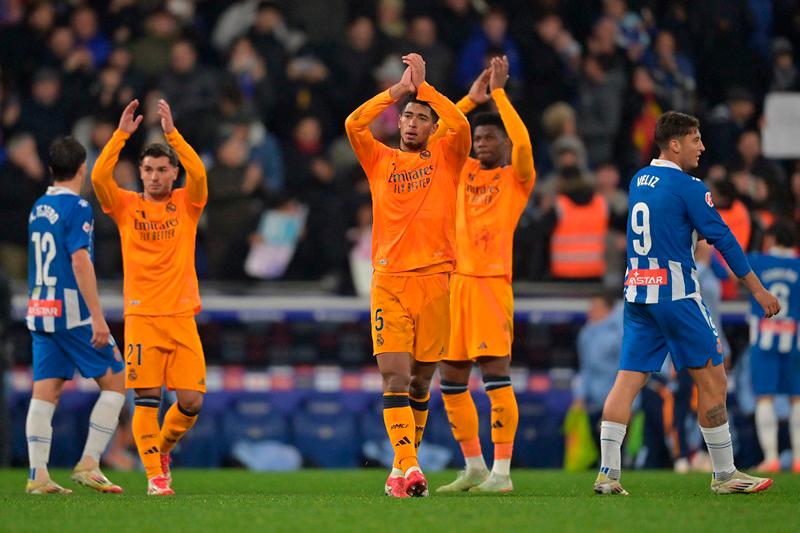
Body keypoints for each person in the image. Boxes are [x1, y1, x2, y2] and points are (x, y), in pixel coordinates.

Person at [595, 111, 780, 496]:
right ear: (674, 144)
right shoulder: (689, 187)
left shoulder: (638, 181)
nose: (702, 146)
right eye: (695, 139)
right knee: (713, 379)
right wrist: (757, 289)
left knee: (628, 379)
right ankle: (725, 474)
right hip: (676, 295)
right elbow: (724, 240)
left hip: (638, 293)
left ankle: (608, 473)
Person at [344, 53, 470, 498]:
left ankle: (400, 470)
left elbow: (463, 126)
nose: (413, 122)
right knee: (394, 377)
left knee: (420, 381)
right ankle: (411, 466)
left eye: (422, 118)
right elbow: (353, 126)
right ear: (398, 124)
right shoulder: (379, 160)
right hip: (389, 282)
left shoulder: (447, 156)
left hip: (436, 280)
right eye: (408, 117)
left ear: (433, 129)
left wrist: (427, 88)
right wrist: (396, 92)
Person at [91, 99, 208, 496]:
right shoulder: (126, 206)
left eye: (162, 169)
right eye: (148, 170)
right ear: (140, 173)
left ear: (173, 173)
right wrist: (120, 135)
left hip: (181, 315)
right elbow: (98, 177)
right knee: (146, 399)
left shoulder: (187, 204)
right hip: (141, 317)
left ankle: (163, 450)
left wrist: (172, 134)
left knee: (191, 402)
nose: (154, 176)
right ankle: (154, 477)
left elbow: (200, 172)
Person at [432, 56, 535, 493]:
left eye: (491, 137)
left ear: (504, 142)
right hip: (456, 285)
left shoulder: (517, 178)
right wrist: (470, 103)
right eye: (478, 138)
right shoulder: (463, 172)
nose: (482, 143)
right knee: (450, 379)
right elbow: (436, 141)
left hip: (492, 285)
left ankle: (503, 472)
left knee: (496, 375)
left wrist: (499, 95)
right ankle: (474, 465)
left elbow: (525, 144)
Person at [24, 137, 126, 494]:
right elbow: (79, 260)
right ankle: (89, 463)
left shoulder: (38, 206)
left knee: (46, 391)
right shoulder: (78, 207)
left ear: (52, 170)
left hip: (40, 307)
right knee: (116, 382)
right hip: (71, 311)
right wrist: (97, 318)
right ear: (83, 168)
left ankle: (38, 476)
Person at [747, 220, 800, 473]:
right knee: (797, 400)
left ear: (771, 239)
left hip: (764, 340)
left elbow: (733, 274)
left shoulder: (757, 261)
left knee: (764, 397)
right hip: (796, 340)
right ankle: (799, 459)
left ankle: (771, 458)